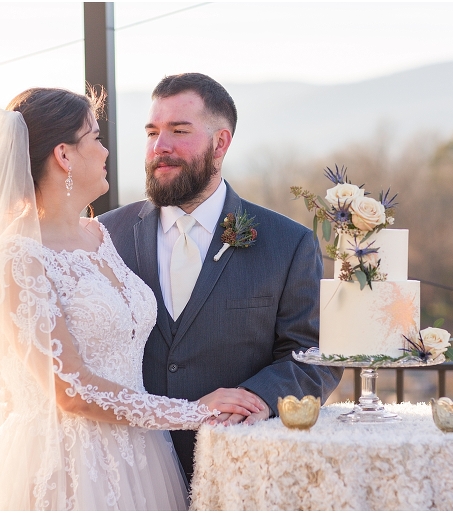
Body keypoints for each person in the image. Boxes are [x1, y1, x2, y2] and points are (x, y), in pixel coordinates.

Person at [0, 88, 265, 510]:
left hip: (139, 456)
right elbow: (71, 390)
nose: (106, 151)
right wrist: (193, 412)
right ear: (63, 155)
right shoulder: (15, 259)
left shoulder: (99, 235)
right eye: (95, 137)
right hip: (63, 466)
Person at [99, 73, 344, 481]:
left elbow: (312, 355)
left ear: (221, 142)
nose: (160, 146)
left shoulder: (287, 243)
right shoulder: (104, 236)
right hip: (124, 473)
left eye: (179, 131)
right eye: (152, 132)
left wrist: (255, 398)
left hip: (242, 470)